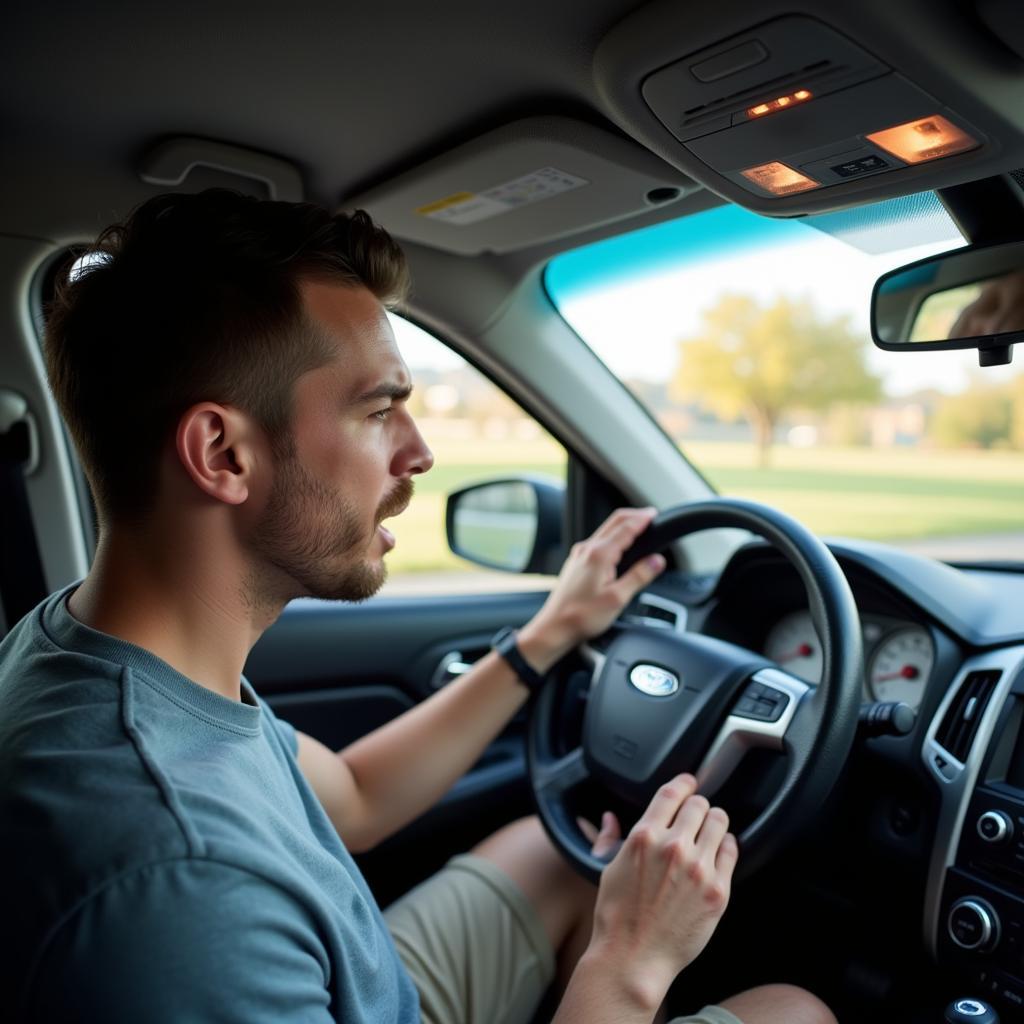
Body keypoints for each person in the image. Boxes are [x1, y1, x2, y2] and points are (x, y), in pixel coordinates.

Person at [0, 189, 836, 1024]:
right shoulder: (177, 881)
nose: (420, 452)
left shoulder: (92, 650)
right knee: (793, 1011)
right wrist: (628, 967)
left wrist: (548, 637)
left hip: (360, 990)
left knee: (556, 857)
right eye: (377, 409)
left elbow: (355, 798)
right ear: (222, 453)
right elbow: (206, 866)